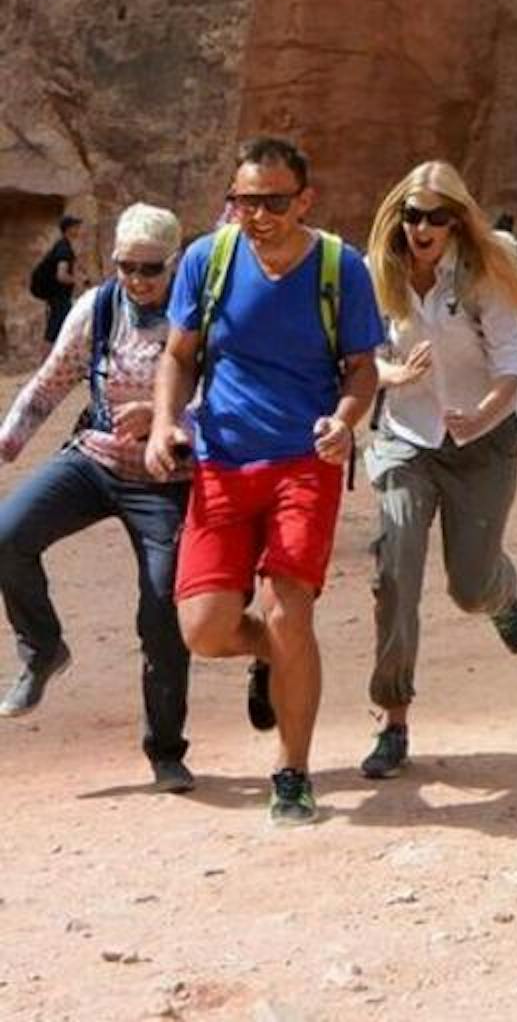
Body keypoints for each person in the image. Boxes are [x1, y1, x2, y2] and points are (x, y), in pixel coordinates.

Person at [147, 138, 384, 827]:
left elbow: (361, 367)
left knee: (290, 614)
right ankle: (276, 661)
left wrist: (345, 420)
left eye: (273, 202)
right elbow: (179, 355)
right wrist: (166, 423)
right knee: (205, 629)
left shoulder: (341, 268)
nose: (256, 215)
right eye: (245, 200)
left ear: (304, 200)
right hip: (221, 460)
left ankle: (292, 771)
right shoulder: (207, 259)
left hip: (301, 463)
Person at [0, 205, 194, 790]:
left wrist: (168, 415)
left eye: (150, 268)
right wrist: (7, 442)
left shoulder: (197, 317)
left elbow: (227, 399)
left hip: (165, 479)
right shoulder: (100, 308)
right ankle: (42, 647)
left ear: (176, 263)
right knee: (9, 535)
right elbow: (51, 382)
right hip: (95, 459)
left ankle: (165, 750)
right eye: (126, 266)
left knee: (162, 606)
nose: (137, 279)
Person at [358, 161, 517, 782]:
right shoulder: (376, 273)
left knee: (468, 585)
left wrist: (482, 413)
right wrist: (389, 376)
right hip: (406, 439)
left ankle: (500, 591)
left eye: (436, 216)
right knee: (395, 570)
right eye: (412, 215)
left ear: (456, 220)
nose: (422, 227)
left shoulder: (483, 275)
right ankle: (393, 717)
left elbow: (514, 366)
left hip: (481, 445)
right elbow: (358, 357)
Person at [28, 215, 82, 350]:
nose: (79, 230)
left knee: (58, 329)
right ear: (69, 229)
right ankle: (46, 365)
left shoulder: (62, 245)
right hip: (58, 296)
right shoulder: (64, 248)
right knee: (55, 331)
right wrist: (78, 281)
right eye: (76, 227)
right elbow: (61, 275)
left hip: (57, 295)